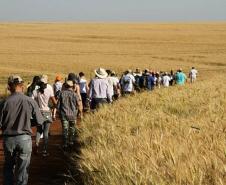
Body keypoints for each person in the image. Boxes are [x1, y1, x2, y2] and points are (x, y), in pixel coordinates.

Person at [0, 75, 44, 185]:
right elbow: (40, 121)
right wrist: (28, 123)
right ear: (22, 86)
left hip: (8, 139)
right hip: (25, 139)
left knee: (8, 167)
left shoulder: (4, 102)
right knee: (22, 170)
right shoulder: (30, 101)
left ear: (9, 87)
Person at [32, 75, 57, 156]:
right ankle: (44, 151)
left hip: (39, 112)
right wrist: (54, 108)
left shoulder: (35, 91)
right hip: (47, 112)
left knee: (39, 131)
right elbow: (55, 102)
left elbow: (32, 102)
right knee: (46, 133)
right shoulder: (49, 90)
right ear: (46, 83)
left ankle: (36, 144)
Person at [57, 80, 83, 150]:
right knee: (72, 128)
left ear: (65, 86)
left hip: (64, 114)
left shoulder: (61, 93)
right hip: (73, 115)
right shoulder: (75, 94)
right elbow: (78, 105)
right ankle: (71, 142)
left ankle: (65, 144)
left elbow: (58, 105)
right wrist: (80, 113)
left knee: (65, 129)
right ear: (72, 86)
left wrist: (58, 112)